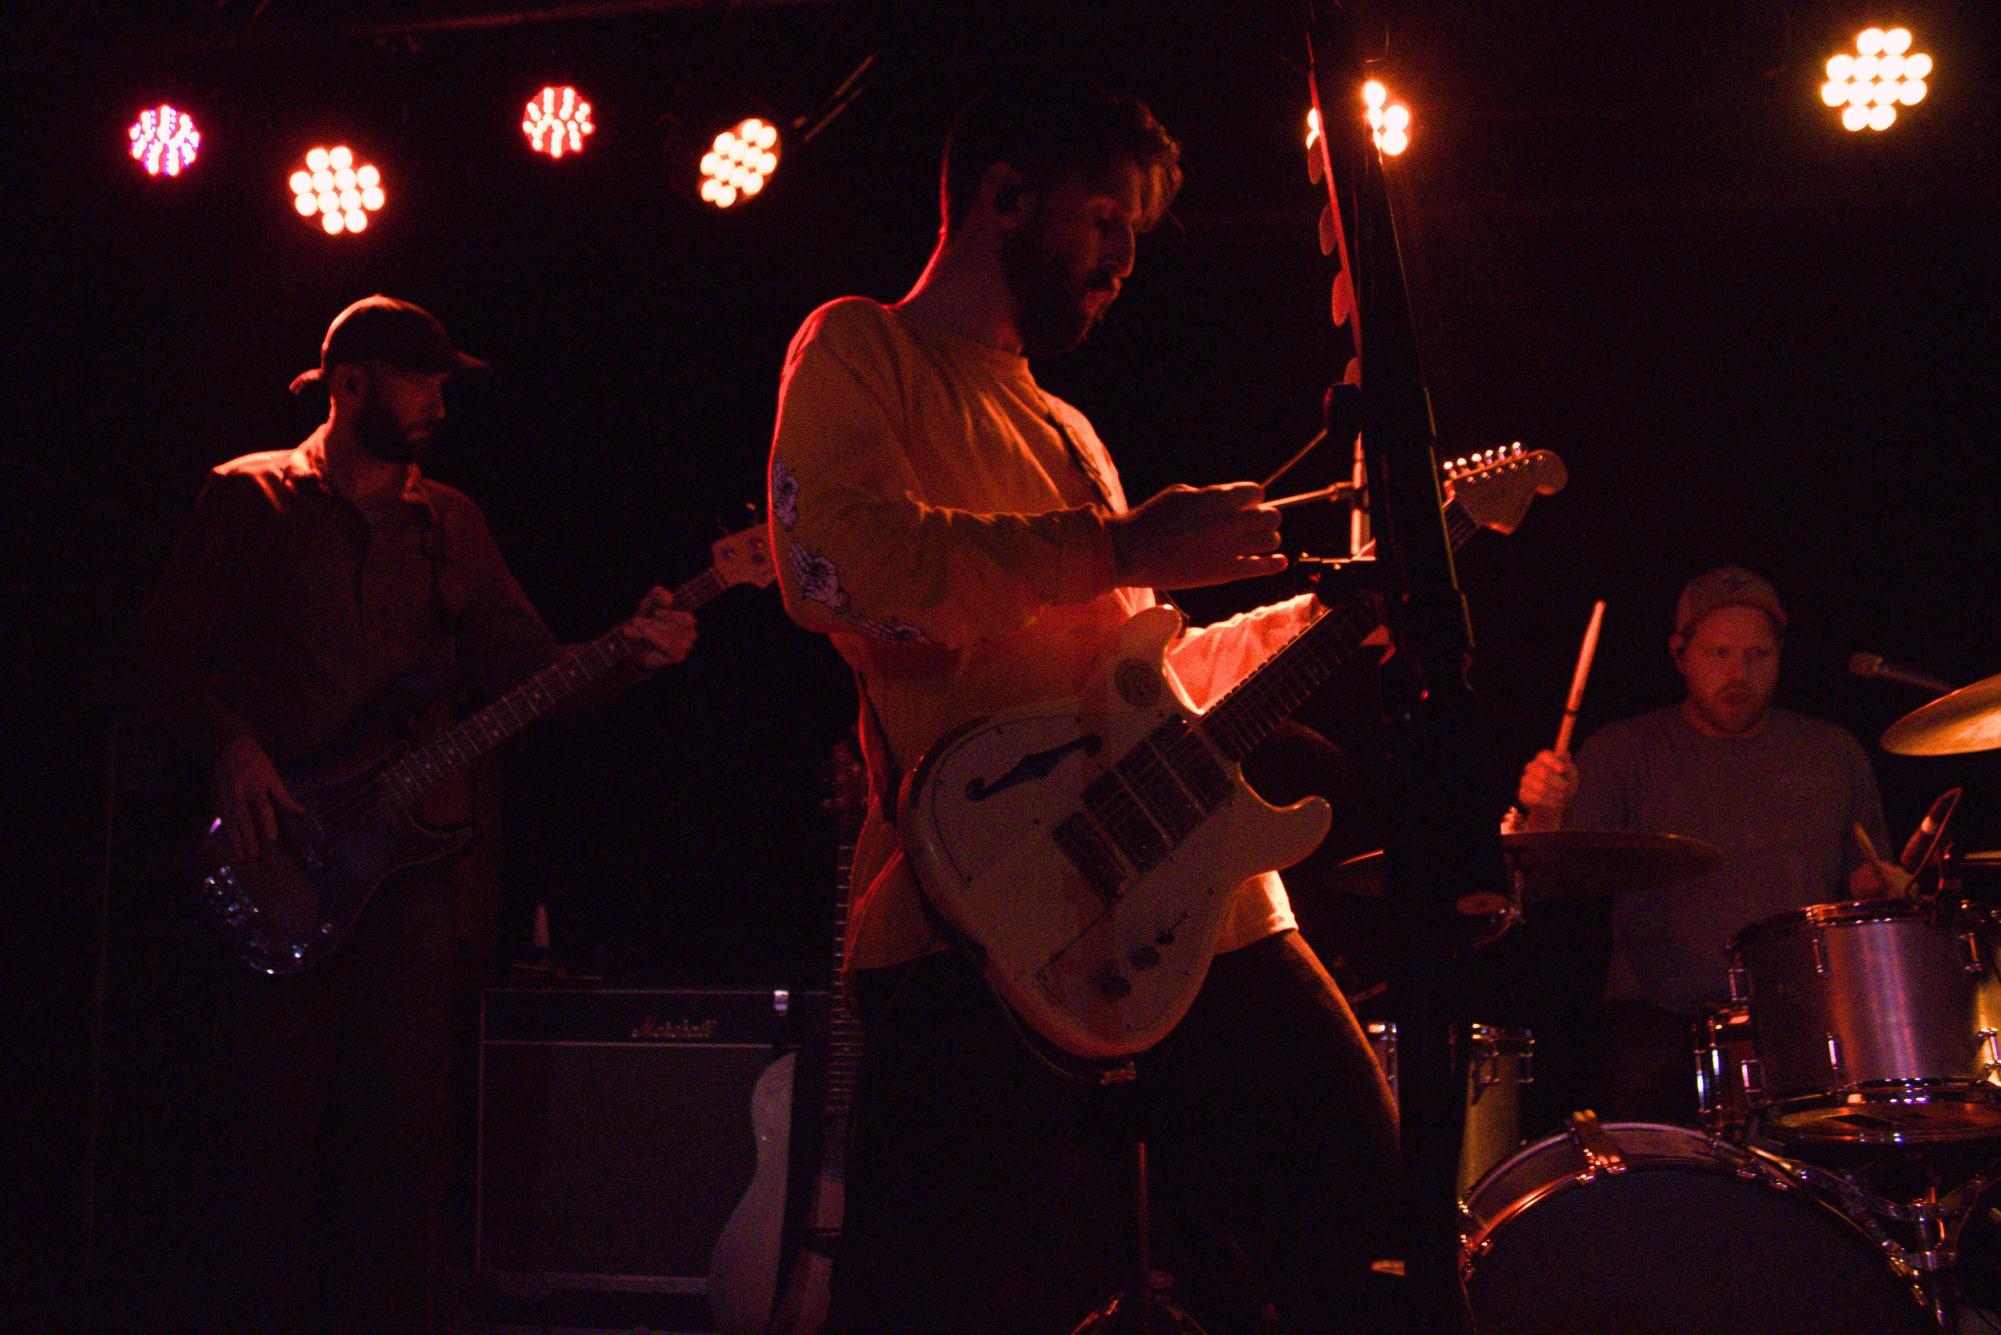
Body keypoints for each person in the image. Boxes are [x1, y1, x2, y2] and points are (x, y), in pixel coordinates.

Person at [767, 81, 1399, 1334]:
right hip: (978, 910)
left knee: (1367, 1229)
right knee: (932, 1297)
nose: (1123, 257)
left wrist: (1318, 623)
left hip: (1188, 900)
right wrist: (1118, 546)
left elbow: (1129, 687)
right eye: (1105, 214)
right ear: (1003, 193)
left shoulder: (1066, 427)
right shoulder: (861, 348)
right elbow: (836, 568)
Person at [131, 295, 696, 1333]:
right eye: (418, 378)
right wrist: (231, 749)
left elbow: (530, 674)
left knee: (400, 1152)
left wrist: (632, 655)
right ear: (350, 383)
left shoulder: (454, 524)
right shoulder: (245, 499)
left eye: (443, 381)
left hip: (421, 877)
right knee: (266, 1146)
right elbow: (158, 659)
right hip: (283, 862)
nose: (438, 400)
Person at [1511, 565, 1903, 1124]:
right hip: (1664, 1023)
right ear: (1680, 653)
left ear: (1780, 655)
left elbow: (1863, 884)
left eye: (1758, 655)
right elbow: (1544, 879)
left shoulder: (1833, 754)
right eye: (1719, 654)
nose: (1738, 673)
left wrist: (1880, 885)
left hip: (1806, 1020)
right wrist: (1544, 811)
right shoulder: (1627, 751)